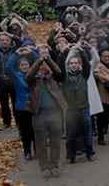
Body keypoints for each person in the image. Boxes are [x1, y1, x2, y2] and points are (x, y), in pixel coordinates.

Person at [25, 46, 67, 179]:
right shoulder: (33, 80)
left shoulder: (53, 77)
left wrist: (48, 59)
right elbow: (29, 75)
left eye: (45, 64)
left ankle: (54, 166)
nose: (44, 65)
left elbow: (59, 72)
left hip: (55, 113)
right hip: (39, 115)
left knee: (55, 142)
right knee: (41, 143)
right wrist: (39, 59)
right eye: (41, 64)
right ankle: (44, 167)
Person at [61, 43, 95, 163]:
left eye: (76, 63)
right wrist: (62, 52)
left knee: (88, 134)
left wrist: (82, 51)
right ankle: (71, 156)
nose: (74, 65)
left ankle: (90, 154)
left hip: (84, 108)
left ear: (79, 64)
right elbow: (60, 66)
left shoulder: (84, 75)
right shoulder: (64, 77)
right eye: (71, 63)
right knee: (70, 136)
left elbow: (87, 65)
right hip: (70, 110)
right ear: (68, 65)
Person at [6, 44, 36, 161]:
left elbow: (39, 60)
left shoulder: (34, 75)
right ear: (18, 67)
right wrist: (16, 54)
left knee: (35, 129)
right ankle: (27, 151)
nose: (24, 66)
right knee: (25, 131)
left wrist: (31, 52)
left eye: (26, 64)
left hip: (34, 105)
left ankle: (37, 149)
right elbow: (8, 67)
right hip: (22, 107)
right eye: (22, 65)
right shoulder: (16, 77)